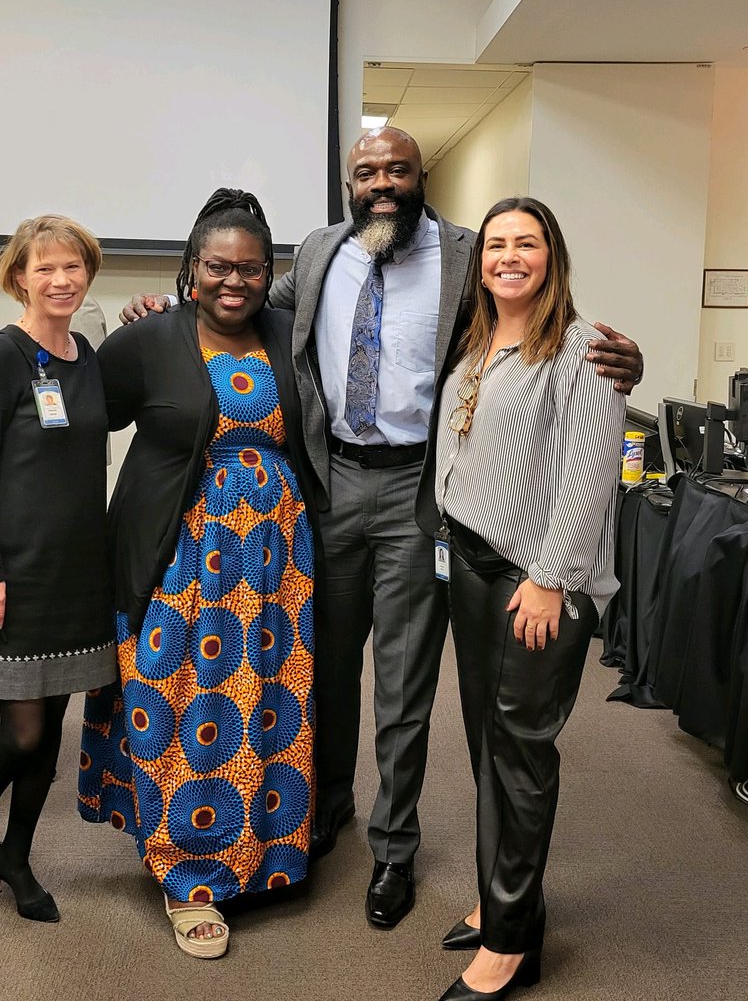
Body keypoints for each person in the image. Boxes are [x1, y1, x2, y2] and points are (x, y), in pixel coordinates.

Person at [121, 127, 643, 929]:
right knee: (317, 664)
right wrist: (164, 306)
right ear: (348, 183)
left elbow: (534, 313)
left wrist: (619, 361)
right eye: (367, 172)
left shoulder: (467, 255)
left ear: (420, 176)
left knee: (403, 684)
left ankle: (394, 847)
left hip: (418, 492)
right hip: (325, 484)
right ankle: (324, 809)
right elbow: (240, 300)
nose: (383, 182)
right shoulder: (321, 252)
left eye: (398, 169)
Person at [79, 190, 319, 959]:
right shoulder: (149, 338)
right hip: (179, 550)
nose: (234, 281)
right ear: (192, 267)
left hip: (278, 562)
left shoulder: (289, 333)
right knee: (173, 692)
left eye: (251, 268)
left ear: (269, 273)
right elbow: (83, 414)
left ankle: (267, 854)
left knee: (265, 702)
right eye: (219, 265)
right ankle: (189, 876)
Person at [417, 197, 625, 1000]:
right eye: (496, 243)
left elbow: (588, 476)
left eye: (526, 243)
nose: (509, 256)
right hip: (470, 565)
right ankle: (510, 901)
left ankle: (509, 947)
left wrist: (551, 578)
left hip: (533, 579)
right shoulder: (477, 340)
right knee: (487, 747)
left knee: (521, 755)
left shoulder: (585, 349)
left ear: (552, 255)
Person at [0, 215, 115, 923]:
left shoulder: (87, 355)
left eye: (72, 267)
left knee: (53, 726)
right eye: (45, 268)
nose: (61, 280)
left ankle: (15, 854)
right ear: (19, 276)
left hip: (80, 570)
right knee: (20, 732)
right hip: (14, 575)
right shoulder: (1, 357)